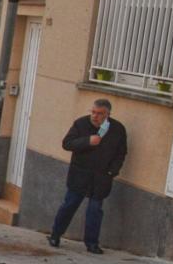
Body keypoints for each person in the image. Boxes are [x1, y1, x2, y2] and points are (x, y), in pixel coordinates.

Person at [48, 98, 127, 254]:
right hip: (80, 174)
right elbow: (67, 143)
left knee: (95, 210)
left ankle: (92, 243)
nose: (95, 116)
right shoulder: (81, 124)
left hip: (101, 176)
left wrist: (112, 171)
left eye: (99, 114)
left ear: (107, 114)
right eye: (93, 112)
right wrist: (87, 141)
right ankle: (55, 234)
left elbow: (121, 152)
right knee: (69, 205)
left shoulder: (117, 129)